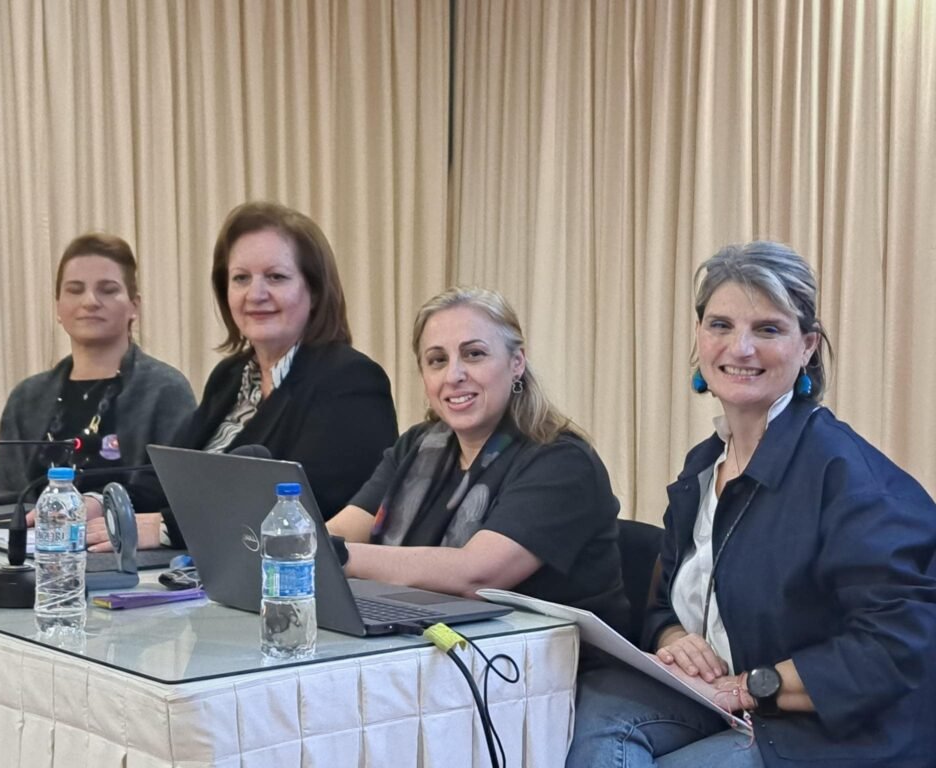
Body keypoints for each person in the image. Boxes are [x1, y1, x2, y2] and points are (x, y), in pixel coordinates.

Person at [567, 241, 936, 767]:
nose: (740, 348)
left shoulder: (848, 477)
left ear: (807, 346)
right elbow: (663, 603)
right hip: (721, 697)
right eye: (720, 325)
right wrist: (675, 636)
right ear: (699, 336)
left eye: (767, 329)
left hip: (835, 729)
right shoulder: (702, 466)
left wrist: (750, 686)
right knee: (585, 721)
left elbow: (899, 645)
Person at [88, 200, 399, 551]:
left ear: (314, 291)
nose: (256, 294)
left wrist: (168, 529)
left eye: (276, 277)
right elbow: (170, 478)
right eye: (241, 278)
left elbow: (310, 502)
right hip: (190, 568)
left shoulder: (351, 380)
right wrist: (100, 502)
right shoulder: (230, 376)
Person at [326, 287, 629, 633]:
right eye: (437, 360)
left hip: (556, 659)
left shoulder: (562, 461)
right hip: (432, 644)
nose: (453, 375)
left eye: (473, 354)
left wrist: (335, 556)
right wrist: (304, 544)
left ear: (517, 363)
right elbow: (340, 530)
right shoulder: (416, 445)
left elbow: (477, 575)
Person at [0, 232, 195, 496]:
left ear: (134, 306)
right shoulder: (26, 398)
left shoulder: (166, 391)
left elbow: (181, 494)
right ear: (58, 307)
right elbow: (2, 496)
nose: (90, 302)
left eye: (108, 290)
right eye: (75, 290)